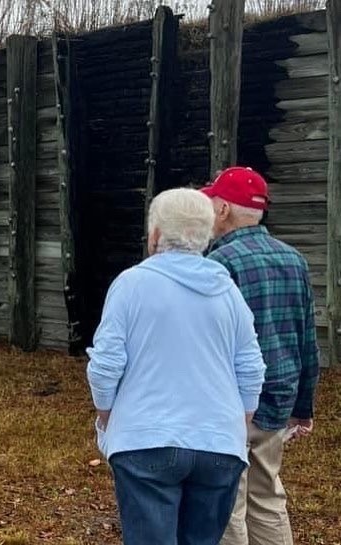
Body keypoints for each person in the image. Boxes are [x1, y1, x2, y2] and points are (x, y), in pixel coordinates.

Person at [86, 188, 266, 545]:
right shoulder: (227, 290)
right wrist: (237, 422)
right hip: (219, 445)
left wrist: (107, 415)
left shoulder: (131, 284)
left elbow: (106, 365)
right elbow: (251, 367)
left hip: (145, 440)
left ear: (155, 235)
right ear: (206, 234)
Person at [202, 166, 320, 545]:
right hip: (277, 400)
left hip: (230, 401)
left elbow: (208, 342)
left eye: (212, 203)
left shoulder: (217, 266)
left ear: (223, 211)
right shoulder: (294, 260)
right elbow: (306, 338)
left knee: (226, 501)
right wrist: (304, 406)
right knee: (268, 495)